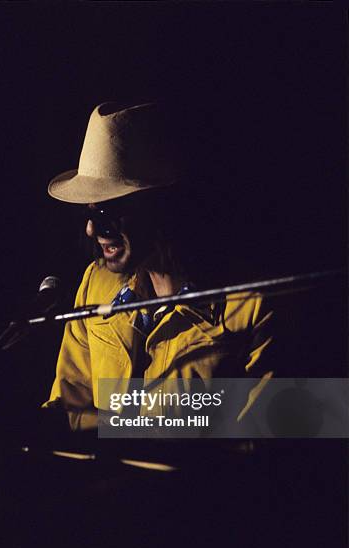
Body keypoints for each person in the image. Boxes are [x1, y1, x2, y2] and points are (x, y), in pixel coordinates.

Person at [41, 101, 273, 434]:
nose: (92, 230)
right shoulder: (95, 284)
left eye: (106, 215)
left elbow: (279, 432)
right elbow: (66, 408)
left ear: (160, 208)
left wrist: (126, 428)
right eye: (87, 215)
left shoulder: (253, 304)